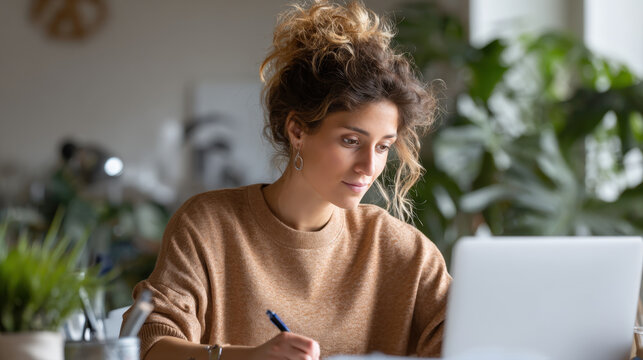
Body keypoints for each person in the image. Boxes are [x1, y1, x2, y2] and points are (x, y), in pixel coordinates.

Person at [122, 1, 451, 359]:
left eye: (384, 147)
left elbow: (472, 342)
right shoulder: (209, 227)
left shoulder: (403, 251)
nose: (368, 166)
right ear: (297, 130)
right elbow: (148, 345)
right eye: (351, 141)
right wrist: (247, 357)